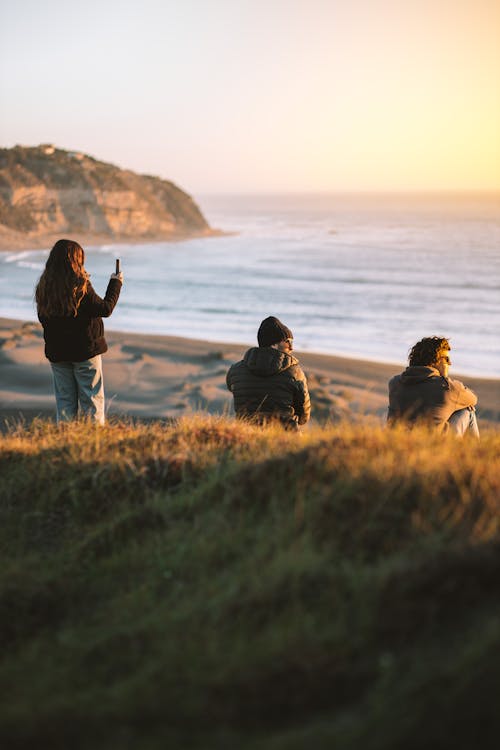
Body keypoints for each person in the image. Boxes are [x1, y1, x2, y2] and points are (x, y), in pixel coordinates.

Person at [35, 238, 123, 425]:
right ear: (75, 260)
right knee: (92, 401)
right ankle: (93, 444)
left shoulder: (44, 286)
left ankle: (65, 442)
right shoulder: (80, 285)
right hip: (85, 351)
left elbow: (43, 317)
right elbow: (105, 309)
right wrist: (116, 283)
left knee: (65, 402)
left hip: (58, 353)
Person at [226, 316, 311, 430]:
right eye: (288, 341)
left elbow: (234, 390)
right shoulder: (295, 373)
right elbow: (304, 417)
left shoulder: (235, 370)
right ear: (273, 345)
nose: (292, 347)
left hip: (246, 434)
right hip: (285, 438)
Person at [388, 336, 479, 437]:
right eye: (447, 360)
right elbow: (473, 399)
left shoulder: (394, 382)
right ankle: (476, 452)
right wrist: (445, 378)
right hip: (434, 446)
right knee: (468, 410)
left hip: (399, 441)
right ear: (435, 361)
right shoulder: (447, 388)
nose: (450, 363)